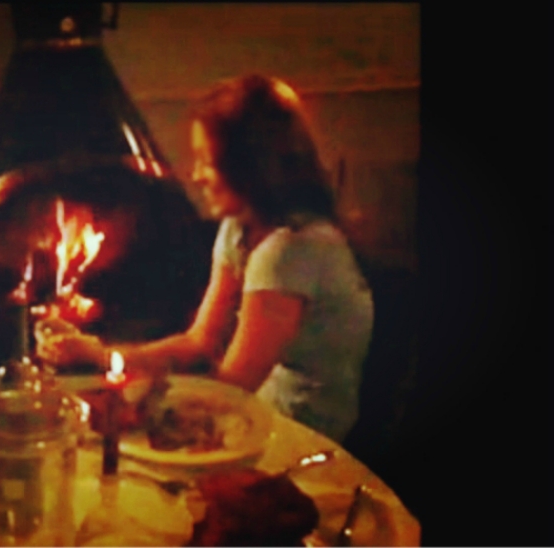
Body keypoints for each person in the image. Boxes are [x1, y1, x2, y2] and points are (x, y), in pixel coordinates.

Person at [37, 74, 374, 442]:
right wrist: (99, 354)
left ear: (249, 167)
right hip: (258, 406)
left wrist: (138, 398)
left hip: (301, 430)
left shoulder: (292, 249)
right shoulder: (239, 228)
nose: (196, 176)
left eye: (206, 162)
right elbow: (199, 342)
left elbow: (235, 387)